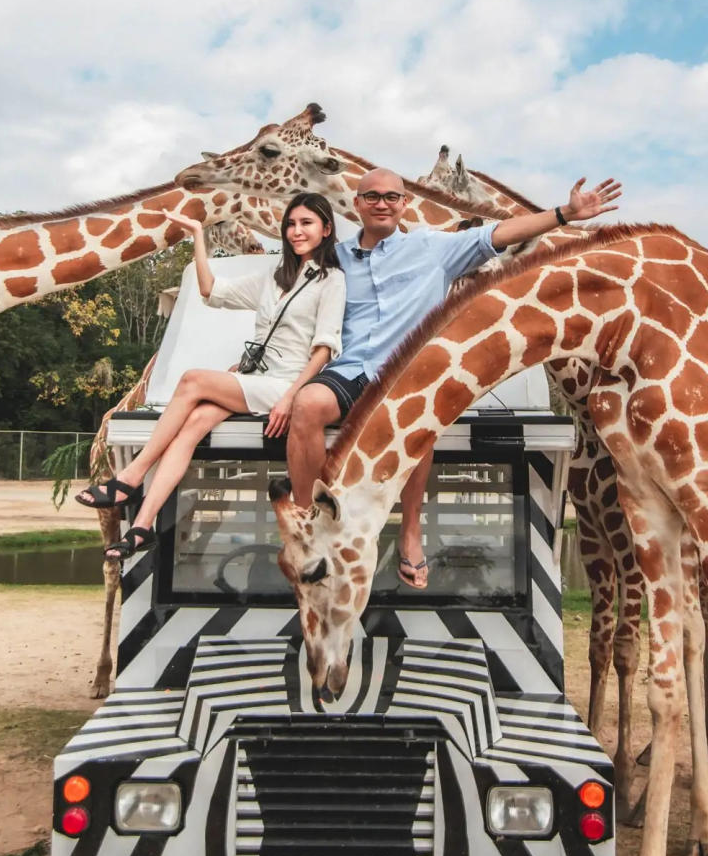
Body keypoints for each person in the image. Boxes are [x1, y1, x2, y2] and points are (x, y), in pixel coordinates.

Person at [287, 168, 622, 588]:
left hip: (403, 378)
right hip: (349, 369)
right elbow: (290, 306)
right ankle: (311, 526)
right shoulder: (331, 259)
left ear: (404, 204)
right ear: (357, 204)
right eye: (371, 196)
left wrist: (564, 213)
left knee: (416, 413)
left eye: (392, 196)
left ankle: (411, 531)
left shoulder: (432, 247)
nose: (382, 203)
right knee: (305, 406)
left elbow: (497, 235)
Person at [76, 191, 346, 559]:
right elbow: (210, 290)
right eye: (291, 224)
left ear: (326, 228)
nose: (296, 232)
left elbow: (324, 350)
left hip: (287, 385)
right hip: (257, 380)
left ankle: (130, 477)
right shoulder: (273, 276)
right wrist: (198, 238)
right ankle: (142, 526)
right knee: (195, 421)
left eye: (307, 224)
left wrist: (290, 397)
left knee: (192, 380)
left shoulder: (332, 281)